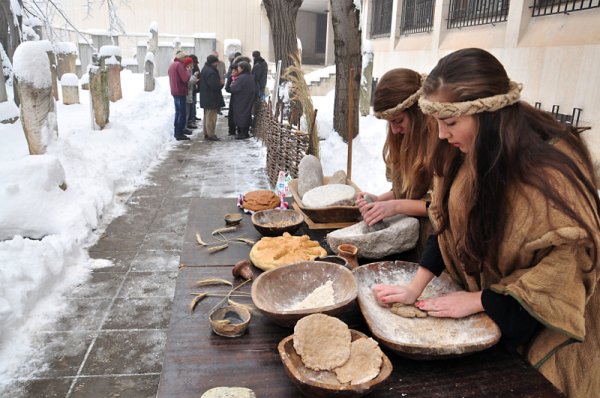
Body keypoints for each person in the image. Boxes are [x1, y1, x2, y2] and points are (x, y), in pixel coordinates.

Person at [373, 48, 600, 397]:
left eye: (450, 123)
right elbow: (445, 224)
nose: (442, 135)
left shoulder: (548, 176)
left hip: (548, 336)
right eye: (436, 122)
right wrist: (413, 288)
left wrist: (482, 301)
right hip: (495, 316)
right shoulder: (463, 151)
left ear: (488, 114)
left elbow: (563, 274)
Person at [356, 68, 437, 252]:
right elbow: (406, 191)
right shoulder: (403, 138)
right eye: (389, 123)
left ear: (418, 113)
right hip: (412, 239)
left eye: (398, 121)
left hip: (435, 244)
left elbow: (441, 207)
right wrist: (379, 200)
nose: (393, 130)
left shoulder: (440, 143)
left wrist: (397, 206)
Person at [227, 61, 257, 140]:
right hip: (247, 98)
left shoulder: (241, 78)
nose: (238, 69)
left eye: (239, 68)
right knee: (246, 114)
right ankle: (244, 132)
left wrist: (232, 84)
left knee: (241, 114)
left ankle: (243, 133)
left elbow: (234, 88)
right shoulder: (250, 76)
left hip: (241, 99)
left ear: (243, 68)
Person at [199, 54, 225, 141]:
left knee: (207, 116)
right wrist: (221, 84)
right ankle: (211, 134)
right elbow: (215, 86)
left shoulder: (205, 69)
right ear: (214, 62)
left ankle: (207, 133)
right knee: (211, 118)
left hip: (207, 97)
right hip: (211, 98)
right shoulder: (211, 72)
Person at [167, 50, 191, 141]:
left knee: (178, 112)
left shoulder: (172, 65)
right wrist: (188, 72)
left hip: (174, 90)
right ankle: (179, 132)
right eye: (185, 57)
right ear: (181, 58)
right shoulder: (180, 65)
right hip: (180, 91)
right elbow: (185, 78)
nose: (186, 59)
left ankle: (178, 130)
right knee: (182, 113)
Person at [224, 62, 239, 136]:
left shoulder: (240, 78)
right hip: (234, 97)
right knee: (232, 113)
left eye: (234, 71)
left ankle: (239, 129)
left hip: (240, 98)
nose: (233, 72)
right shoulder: (231, 77)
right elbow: (227, 88)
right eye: (232, 71)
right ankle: (231, 130)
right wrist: (232, 89)